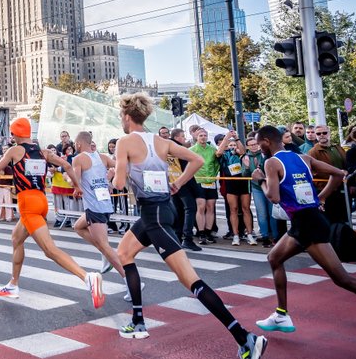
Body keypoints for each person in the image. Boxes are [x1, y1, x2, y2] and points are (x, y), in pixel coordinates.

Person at [112, 94, 266, 358]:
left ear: (126, 117)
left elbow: (117, 184)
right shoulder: (161, 141)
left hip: (155, 216)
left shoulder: (125, 142)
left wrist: (116, 170)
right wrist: (179, 183)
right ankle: (138, 321)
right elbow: (196, 161)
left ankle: (245, 337)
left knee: (191, 280)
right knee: (124, 253)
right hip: (161, 210)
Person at [253, 125, 356, 334]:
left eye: (259, 142)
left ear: (267, 141)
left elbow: (274, 197)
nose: (259, 146)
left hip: (308, 224)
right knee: (274, 258)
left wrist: (259, 181)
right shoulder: (303, 158)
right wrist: (321, 197)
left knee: (342, 278)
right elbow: (338, 174)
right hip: (305, 221)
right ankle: (281, 314)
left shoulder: (271, 162)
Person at [0, 118, 104, 308]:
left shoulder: (14, 150)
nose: (12, 136)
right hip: (41, 201)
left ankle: (87, 277)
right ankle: (13, 285)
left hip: (28, 204)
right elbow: (67, 165)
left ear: (16, 134)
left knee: (50, 250)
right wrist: (77, 186)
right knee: (16, 238)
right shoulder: (43, 152)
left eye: (12, 133)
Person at [67, 131, 124, 277]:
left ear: (78, 144)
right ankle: (106, 253)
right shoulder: (103, 157)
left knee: (104, 245)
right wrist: (110, 178)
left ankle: (129, 277)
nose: (74, 146)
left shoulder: (78, 159)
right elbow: (122, 167)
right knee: (78, 227)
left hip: (94, 206)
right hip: (105, 203)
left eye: (74, 143)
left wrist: (69, 179)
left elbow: (76, 181)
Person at [305, 125, 348, 224]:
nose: (321, 135)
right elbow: (315, 171)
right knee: (330, 219)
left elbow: (346, 163)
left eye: (324, 133)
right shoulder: (313, 152)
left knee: (343, 218)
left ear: (329, 133)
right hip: (325, 189)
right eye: (318, 133)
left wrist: (345, 171)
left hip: (341, 188)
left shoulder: (337, 148)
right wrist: (337, 173)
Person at [222, 136, 257, 246]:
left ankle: (250, 234)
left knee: (246, 208)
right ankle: (236, 235)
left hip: (243, 182)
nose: (233, 147)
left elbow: (242, 150)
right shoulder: (225, 154)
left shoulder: (243, 153)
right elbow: (219, 152)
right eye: (230, 145)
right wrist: (226, 139)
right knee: (234, 209)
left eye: (235, 145)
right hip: (231, 183)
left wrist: (237, 138)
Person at [170, 128, 201, 251]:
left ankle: (177, 236)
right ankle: (187, 238)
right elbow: (189, 166)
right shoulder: (178, 149)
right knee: (190, 208)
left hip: (171, 183)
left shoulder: (166, 149)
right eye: (183, 136)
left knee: (179, 211)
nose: (184, 139)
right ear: (177, 138)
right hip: (182, 183)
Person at [246, 135, 277, 248]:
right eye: (251, 145)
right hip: (257, 187)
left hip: (269, 185)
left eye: (255, 144)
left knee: (272, 212)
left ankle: (275, 236)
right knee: (261, 213)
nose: (254, 146)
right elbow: (246, 174)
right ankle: (264, 236)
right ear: (247, 147)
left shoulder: (266, 154)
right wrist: (247, 166)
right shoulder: (246, 157)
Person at [190, 129, 220, 244]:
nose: (203, 137)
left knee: (211, 206)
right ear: (196, 137)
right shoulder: (191, 150)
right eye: (200, 135)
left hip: (210, 181)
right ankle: (201, 232)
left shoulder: (212, 150)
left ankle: (208, 231)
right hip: (198, 181)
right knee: (201, 206)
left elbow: (217, 164)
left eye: (205, 135)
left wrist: (213, 175)